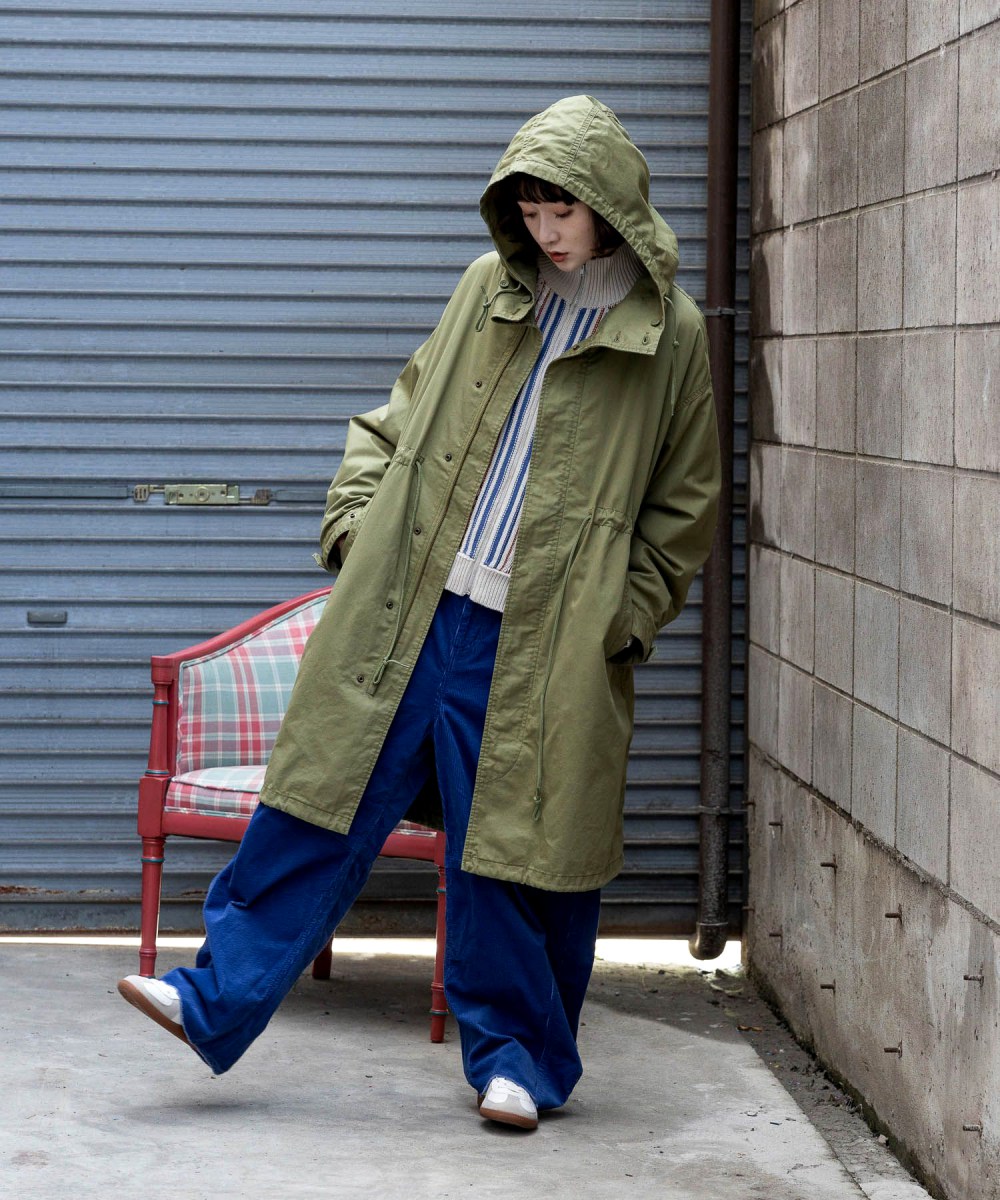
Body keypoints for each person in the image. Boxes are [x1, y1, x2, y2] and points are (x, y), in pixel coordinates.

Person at [117, 94, 721, 1132]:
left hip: (544, 639)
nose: (546, 232)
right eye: (529, 212)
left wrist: (619, 621)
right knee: (320, 797)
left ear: (611, 203)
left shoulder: (672, 337)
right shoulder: (489, 287)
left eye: (563, 212)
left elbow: (685, 506)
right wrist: (357, 527)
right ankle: (210, 998)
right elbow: (394, 416)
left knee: (512, 849)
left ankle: (518, 1064)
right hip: (416, 607)